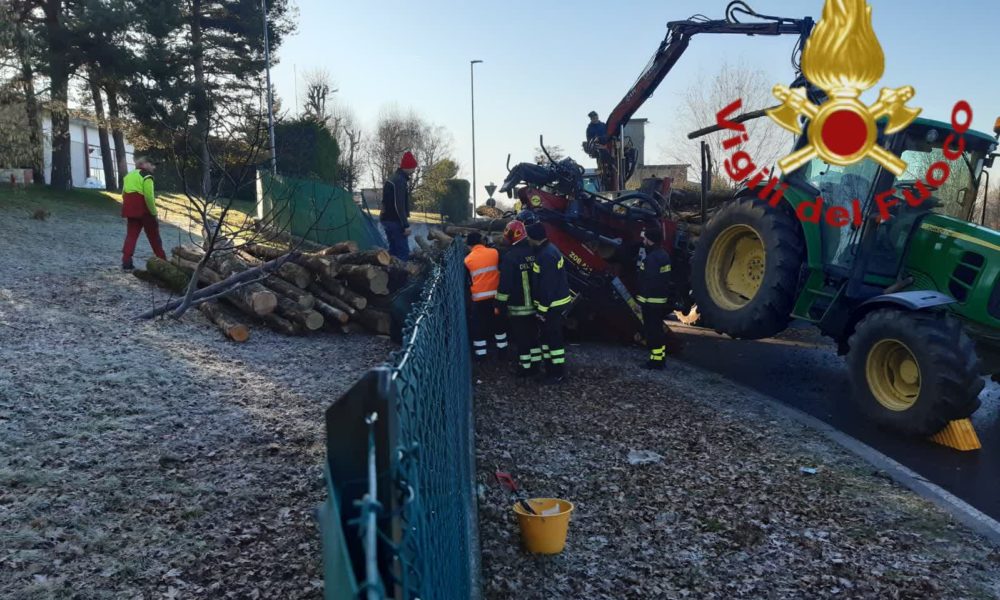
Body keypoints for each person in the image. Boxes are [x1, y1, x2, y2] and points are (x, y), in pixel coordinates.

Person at [527, 222, 572, 384]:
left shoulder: (546, 255)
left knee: (554, 340)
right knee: (547, 339)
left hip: (552, 306)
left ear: (533, 238)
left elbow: (547, 287)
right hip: (553, 304)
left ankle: (558, 374)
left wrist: (542, 311)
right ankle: (550, 371)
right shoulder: (548, 250)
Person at [496, 221, 542, 377]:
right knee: (533, 337)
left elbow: (505, 285)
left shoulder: (510, 257)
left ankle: (524, 368)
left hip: (518, 306)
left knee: (522, 339)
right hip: (536, 305)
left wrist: (500, 304)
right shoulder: (534, 252)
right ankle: (536, 365)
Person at [464, 231, 508, 360]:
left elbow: (468, 280)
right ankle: (503, 353)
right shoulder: (494, 253)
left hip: (479, 299)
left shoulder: (467, 259)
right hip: (496, 297)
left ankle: (481, 355)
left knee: (479, 327)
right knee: (499, 325)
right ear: (482, 242)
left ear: (469, 246)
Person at [636, 226, 672, 369]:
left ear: (650, 240)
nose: (643, 241)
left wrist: (640, 301)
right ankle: (660, 358)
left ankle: (655, 361)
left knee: (652, 332)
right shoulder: (664, 255)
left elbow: (648, 282)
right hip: (659, 301)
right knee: (657, 330)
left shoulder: (651, 259)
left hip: (650, 302)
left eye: (645, 238)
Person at [121, 156, 166, 271]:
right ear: (145, 164)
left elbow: (123, 193)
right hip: (144, 211)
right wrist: (153, 213)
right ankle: (163, 260)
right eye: (152, 164)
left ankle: (126, 261)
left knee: (131, 236)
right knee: (154, 237)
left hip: (130, 210)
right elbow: (149, 196)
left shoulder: (128, 176)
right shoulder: (147, 176)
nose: (154, 167)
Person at [381, 151, 417, 260]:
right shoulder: (400, 181)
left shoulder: (392, 178)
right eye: (413, 167)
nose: (414, 170)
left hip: (387, 220)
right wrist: (405, 225)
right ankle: (401, 277)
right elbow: (399, 205)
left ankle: (391, 276)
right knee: (402, 252)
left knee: (393, 252)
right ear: (408, 167)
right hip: (395, 222)